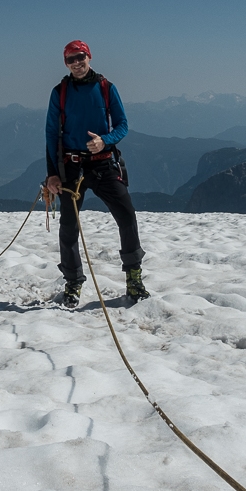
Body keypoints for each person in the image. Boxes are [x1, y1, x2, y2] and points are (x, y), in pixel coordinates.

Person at [44, 40, 149, 307]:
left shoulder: (106, 88)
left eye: (80, 57)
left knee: (126, 215)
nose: (77, 63)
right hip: (72, 165)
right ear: (66, 64)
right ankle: (73, 282)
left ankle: (134, 278)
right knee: (68, 227)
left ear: (89, 57)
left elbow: (123, 125)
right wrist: (52, 175)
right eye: (71, 60)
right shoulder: (60, 92)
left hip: (102, 163)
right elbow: (50, 134)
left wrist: (105, 140)